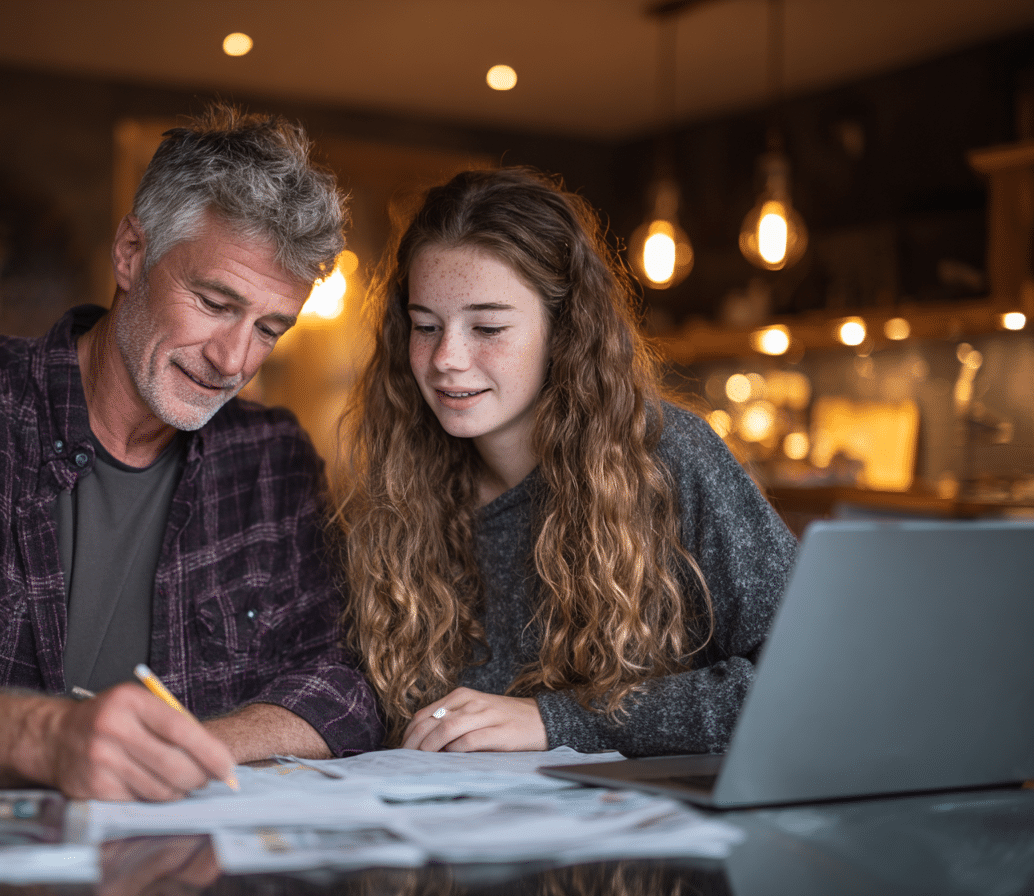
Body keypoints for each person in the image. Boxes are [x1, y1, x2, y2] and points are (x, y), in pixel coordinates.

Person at [0, 105, 382, 801]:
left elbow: (343, 679)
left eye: (270, 327)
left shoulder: (272, 460)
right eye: (213, 302)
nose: (234, 360)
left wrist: (190, 752)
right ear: (130, 253)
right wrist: (52, 740)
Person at [337, 167, 798, 756]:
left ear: (564, 331)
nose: (446, 358)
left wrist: (557, 722)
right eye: (426, 326)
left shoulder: (666, 455)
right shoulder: (397, 487)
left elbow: (812, 685)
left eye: (488, 326)